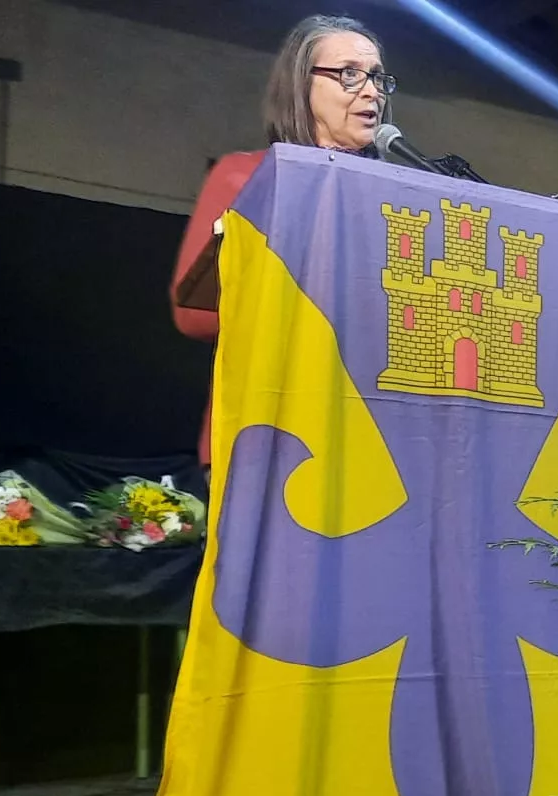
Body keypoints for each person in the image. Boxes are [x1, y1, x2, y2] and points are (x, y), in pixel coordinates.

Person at [171, 14, 396, 473]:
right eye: (349, 74)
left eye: (376, 77)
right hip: (268, 438)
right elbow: (192, 314)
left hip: (376, 445)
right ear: (301, 86)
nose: (370, 91)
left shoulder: (398, 198)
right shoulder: (244, 177)